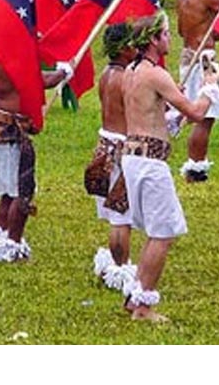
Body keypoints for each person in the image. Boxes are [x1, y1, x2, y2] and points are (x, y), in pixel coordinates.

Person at [121, 12, 219, 321]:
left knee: (156, 232)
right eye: (165, 33)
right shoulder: (156, 74)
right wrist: (208, 89)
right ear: (153, 39)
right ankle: (142, 307)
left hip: (133, 156)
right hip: (150, 164)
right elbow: (194, 112)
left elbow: (149, 113)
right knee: (163, 233)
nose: (170, 38)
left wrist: (170, 116)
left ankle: (135, 296)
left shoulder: (131, 70)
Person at [0, 55, 70, 261]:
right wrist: (63, 73)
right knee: (21, 191)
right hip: (9, 130)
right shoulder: (10, 55)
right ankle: (13, 243)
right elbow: (39, 80)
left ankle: (1, 233)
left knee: (8, 192)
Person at [87, 24, 136, 291]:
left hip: (104, 145)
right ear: (125, 48)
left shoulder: (106, 74)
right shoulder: (124, 78)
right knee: (121, 215)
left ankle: (117, 260)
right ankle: (120, 269)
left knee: (116, 214)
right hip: (119, 150)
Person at [176, 0, 219, 182]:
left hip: (187, 54)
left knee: (200, 113)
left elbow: (179, 29)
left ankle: (195, 164)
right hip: (203, 58)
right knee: (206, 116)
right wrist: (214, 33)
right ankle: (196, 167)